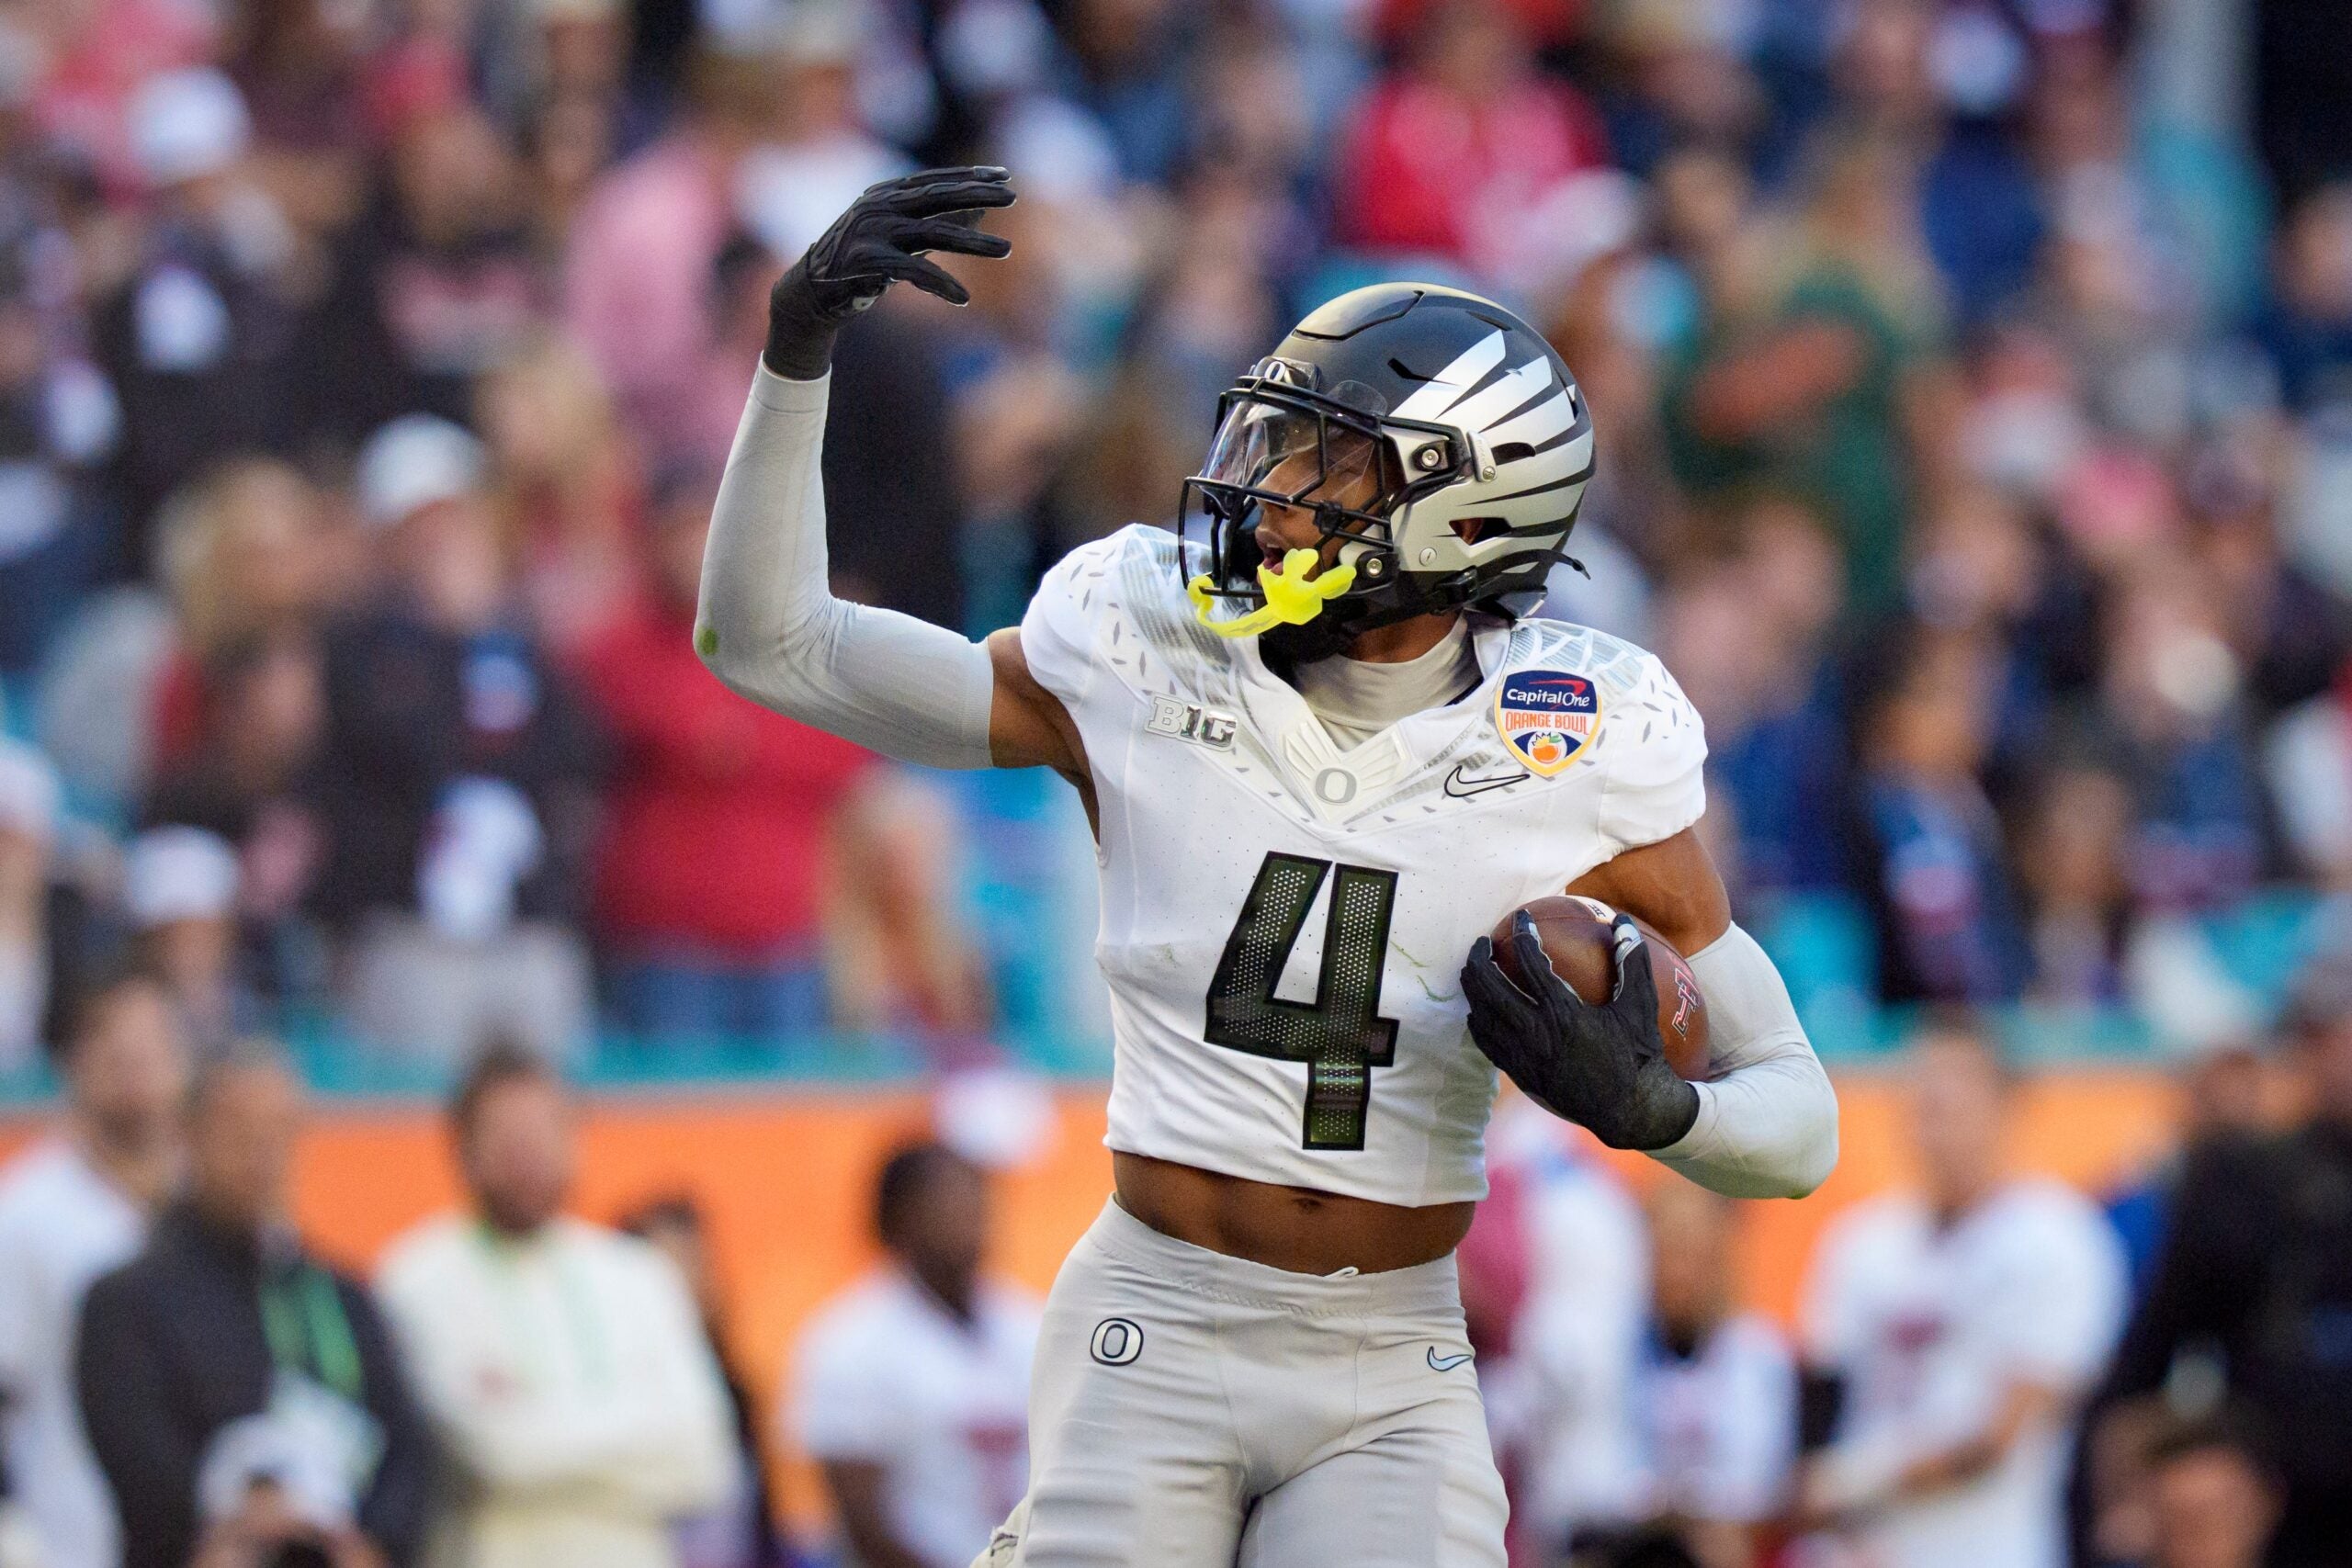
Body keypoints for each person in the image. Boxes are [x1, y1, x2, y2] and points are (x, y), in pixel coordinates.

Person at [695, 166, 1838, 1567]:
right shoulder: (1143, 640)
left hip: (1389, 1347)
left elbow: (1799, 1122)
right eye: (1278, 442)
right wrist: (795, 358)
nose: (1274, 490)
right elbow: (770, 643)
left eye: (1330, 463)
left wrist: (1662, 1110)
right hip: (1153, 1317)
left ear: (1472, 511)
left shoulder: (1574, 741)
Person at [76, 1040, 434, 1568]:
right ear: (189, 1134)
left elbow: (406, 1445)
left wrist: (374, 1543)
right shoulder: (127, 1301)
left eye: (278, 1130)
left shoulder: (340, 1294)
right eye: (238, 1130)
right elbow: (139, 1459)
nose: (261, 1152)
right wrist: (236, 1521)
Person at [374, 1044, 734, 1568]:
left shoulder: (636, 1274)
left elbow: (705, 1462)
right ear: (462, 1149)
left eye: (544, 1132)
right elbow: (497, 1459)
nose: (528, 1155)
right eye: (508, 1137)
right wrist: (637, 1430)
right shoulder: (416, 1279)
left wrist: (537, 1423)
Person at [1796, 1021, 2125, 1568]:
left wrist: (1850, 1482)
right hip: (1856, 1549)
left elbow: (1999, 1437)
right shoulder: (1860, 1238)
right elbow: (1822, 1399)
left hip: (1986, 1548)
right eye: (1924, 1099)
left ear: (2006, 1106)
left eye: (1955, 1099)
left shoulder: (2057, 1236)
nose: (1936, 1120)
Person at [2085, 956, 2352, 1567]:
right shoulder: (2242, 1183)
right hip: (2277, 1503)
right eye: (2321, 1035)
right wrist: (2124, 1494)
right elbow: (2146, 1359)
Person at [0, 971, 188, 1568]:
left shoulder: (213, 1202)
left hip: (203, 1539)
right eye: (115, 1053)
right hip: (68, 1533)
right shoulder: (25, 1210)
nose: (134, 1073)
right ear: (75, 1061)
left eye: (150, 1052)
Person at [790, 1141, 1040, 1568]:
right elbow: (862, 1524)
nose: (969, 1218)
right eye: (947, 1202)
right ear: (897, 1219)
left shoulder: (1030, 1322)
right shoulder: (848, 1342)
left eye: (975, 1200)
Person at [1609, 1181, 1796, 1568]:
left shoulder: (1760, 1353)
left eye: (1693, 1252)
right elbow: (1598, 1479)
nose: (1679, 1272)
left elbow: (1759, 1487)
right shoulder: (1613, 1347)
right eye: (1667, 1251)